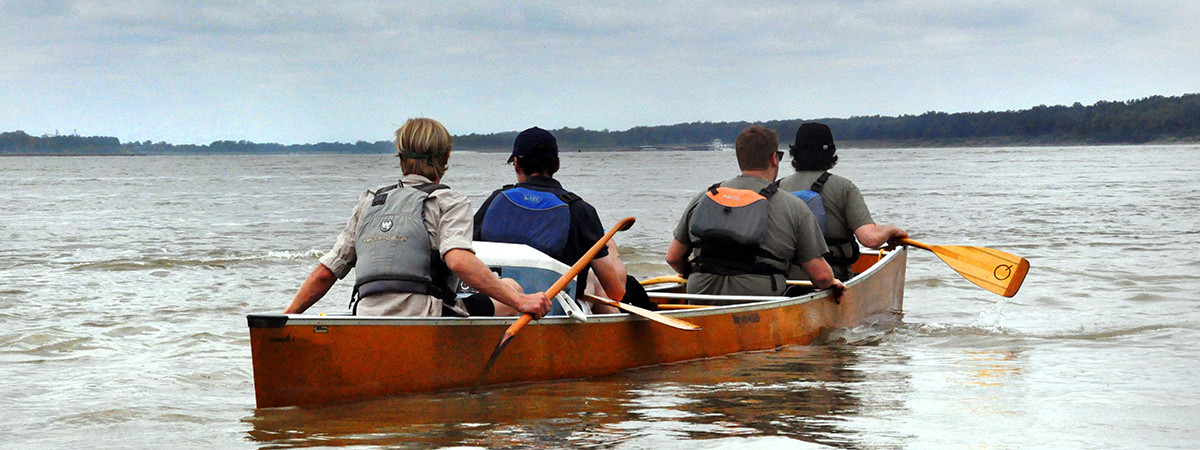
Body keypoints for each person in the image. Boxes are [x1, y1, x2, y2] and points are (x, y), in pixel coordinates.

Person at [283, 118, 551, 319]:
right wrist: (522, 302)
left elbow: (325, 273)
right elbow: (459, 260)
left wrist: (288, 316)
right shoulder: (449, 201)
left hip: (366, 316)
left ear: (400, 157)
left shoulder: (369, 201)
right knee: (511, 287)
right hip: (426, 317)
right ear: (446, 157)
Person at [665, 125, 845, 297]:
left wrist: (692, 274)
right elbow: (821, 276)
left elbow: (673, 257)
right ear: (774, 158)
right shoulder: (794, 206)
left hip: (701, 295)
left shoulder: (704, 197)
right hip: (759, 298)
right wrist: (832, 282)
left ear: (739, 158)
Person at [473, 127, 628, 312]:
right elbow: (616, 291)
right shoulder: (579, 209)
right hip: (556, 311)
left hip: (503, 308)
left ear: (516, 164)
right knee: (593, 281)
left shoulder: (495, 201)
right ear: (557, 164)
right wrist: (608, 245)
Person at [778, 122, 908, 281]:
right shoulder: (845, 188)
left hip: (783, 281)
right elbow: (870, 239)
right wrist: (891, 230)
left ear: (794, 153)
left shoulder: (775, 188)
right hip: (834, 279)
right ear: (831, 152)